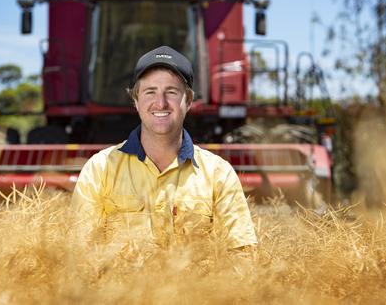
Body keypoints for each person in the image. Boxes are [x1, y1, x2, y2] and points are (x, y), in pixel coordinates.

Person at [70, 45, 257, 249]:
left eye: (172, 92)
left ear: (189, 100)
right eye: (150, 92)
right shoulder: (100, 169)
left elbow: (240, 256)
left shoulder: (219, 174)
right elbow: (80, 253)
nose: (161, 103)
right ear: (135, 100)